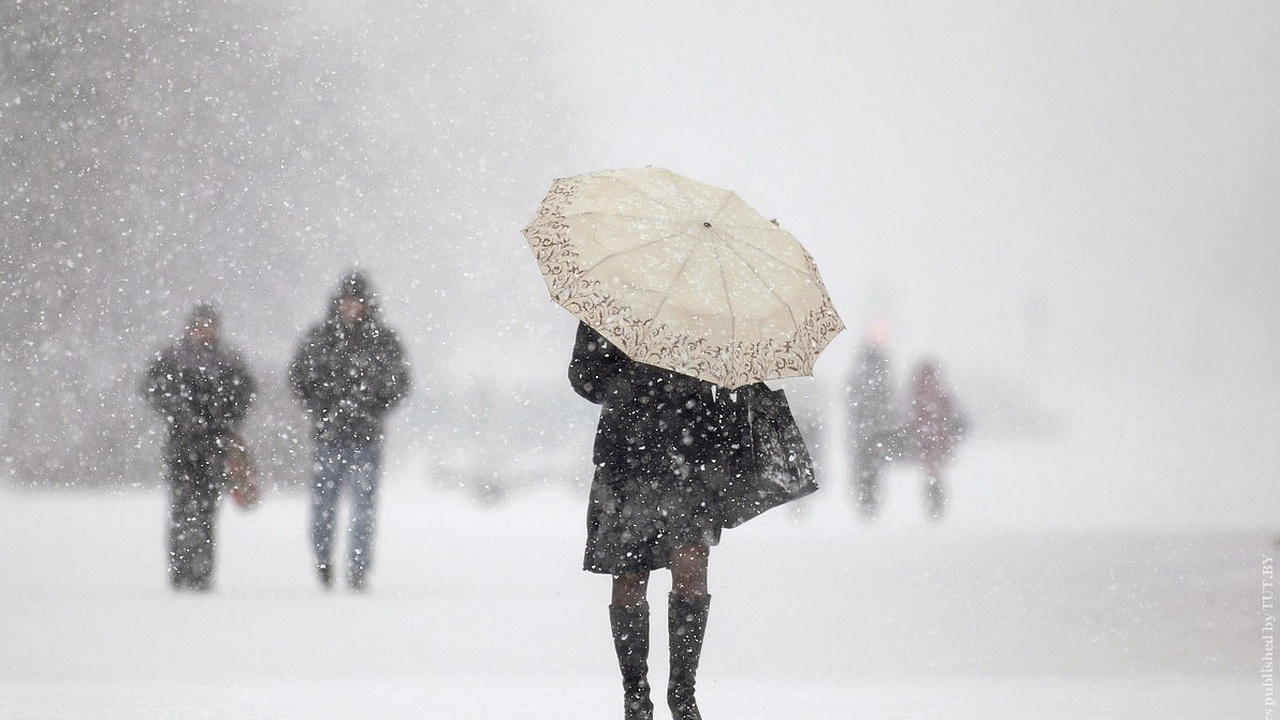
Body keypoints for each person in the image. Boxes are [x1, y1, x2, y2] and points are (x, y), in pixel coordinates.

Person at [570, 321, 745, 720]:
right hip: (626, 457)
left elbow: (730, 370)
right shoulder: (613, 299)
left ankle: (683, 696)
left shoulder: (707, 303)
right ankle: (636, 697)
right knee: (629, 573)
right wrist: (624, 383)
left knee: (691, 564)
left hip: (692, 453)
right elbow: (583, 374)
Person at [290, 270, 410, 591]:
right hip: (328, 437)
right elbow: (300, 378)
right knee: (323, 506)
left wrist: (371, 406)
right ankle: (323, 558)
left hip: (365, 438)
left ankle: (357, 569)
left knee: (363, 508)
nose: (351, 307)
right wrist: (324, 406)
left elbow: (399, 383)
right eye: (347, 301)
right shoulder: (320, 338)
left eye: (356, 301)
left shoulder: (382, 341)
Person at [142, 303, 256, 592]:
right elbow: (153, 389)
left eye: (208, 326)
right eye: (199, 325)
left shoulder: (228, 360)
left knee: (206, 511)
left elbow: (245, 395)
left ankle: (202, 572)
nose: (203, 331)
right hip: (182, 446)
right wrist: (182, 416)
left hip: (214, 447)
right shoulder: (173, 358)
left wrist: (222, 419)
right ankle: (180, 571)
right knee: (182, 509)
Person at [904, 359, 967, 520]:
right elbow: (951, 414)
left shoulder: (916, 393)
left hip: (925, 440)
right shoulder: (940, 392)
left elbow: (911, 417)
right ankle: (936, 505)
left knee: (931, 474)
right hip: (937, 439)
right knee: (935, 473)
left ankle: (934, 505)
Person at [847, 337, 897, 518]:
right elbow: (888, 401)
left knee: (864, 465)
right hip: (874, 431)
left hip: (863, 432)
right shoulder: (879, 377)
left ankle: (866, 498)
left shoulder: (859, 377)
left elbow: (851, 401)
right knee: (872, 465)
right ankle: (868, 498)